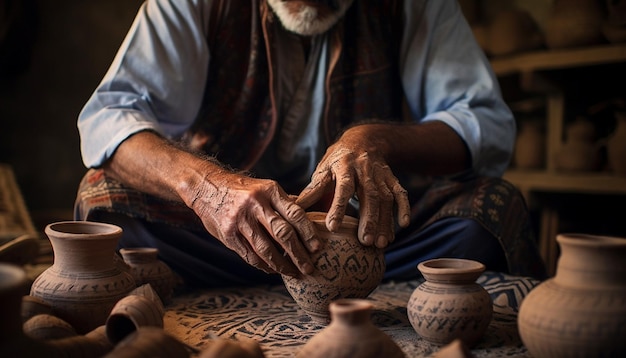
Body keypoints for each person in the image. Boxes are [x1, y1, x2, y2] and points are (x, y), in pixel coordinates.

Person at [75, 0, 546, 288]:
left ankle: (333, 277)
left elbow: (485, 120)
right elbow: (108, 118)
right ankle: (273, 264)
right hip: (221, 237)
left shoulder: (413, 3)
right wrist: (208, 189)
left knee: (488, 215)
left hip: (370, 239)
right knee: (105, 203)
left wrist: (373, 140)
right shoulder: (193, 2)